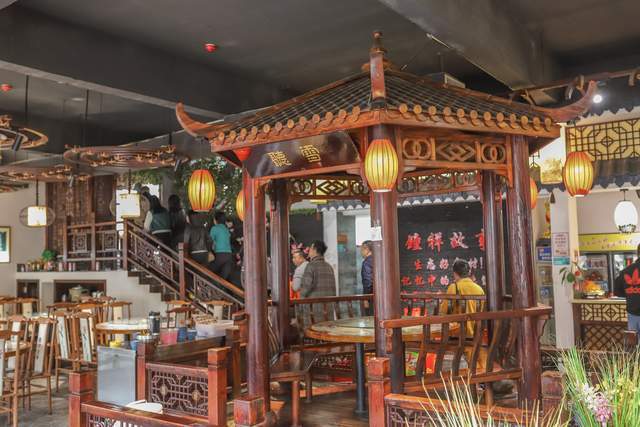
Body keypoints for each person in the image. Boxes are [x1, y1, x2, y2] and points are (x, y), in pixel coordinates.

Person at [440, 259, 486, 335]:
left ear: (455, 273)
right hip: (475, 335)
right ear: (469, 272)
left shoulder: (454, 287)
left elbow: (444, 311)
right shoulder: (479, 289)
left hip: (457, 335)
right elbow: (480, 312)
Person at [614, 244, 640, 335]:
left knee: (633, 340)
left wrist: (631, 293)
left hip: (632, 312)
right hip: (632, 312)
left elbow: (617, 291)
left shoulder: (626, 270)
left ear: (637, 253)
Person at [209, 211, 233, 280]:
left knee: (208, 272)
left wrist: (210, 251)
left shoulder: (214, 228)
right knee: (223, 278)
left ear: (215, 220)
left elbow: (209, 241)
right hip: (229, 256)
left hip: (219, 255)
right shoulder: (226, 229)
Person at [360, 240, 374, 315]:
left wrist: (365, 298)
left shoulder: (366, 263)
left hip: (371, 297)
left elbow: (368, 282)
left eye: (362, 249)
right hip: (379, 297)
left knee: (370, 317)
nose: (361, 252)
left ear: (367, 249)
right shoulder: (377, 260)